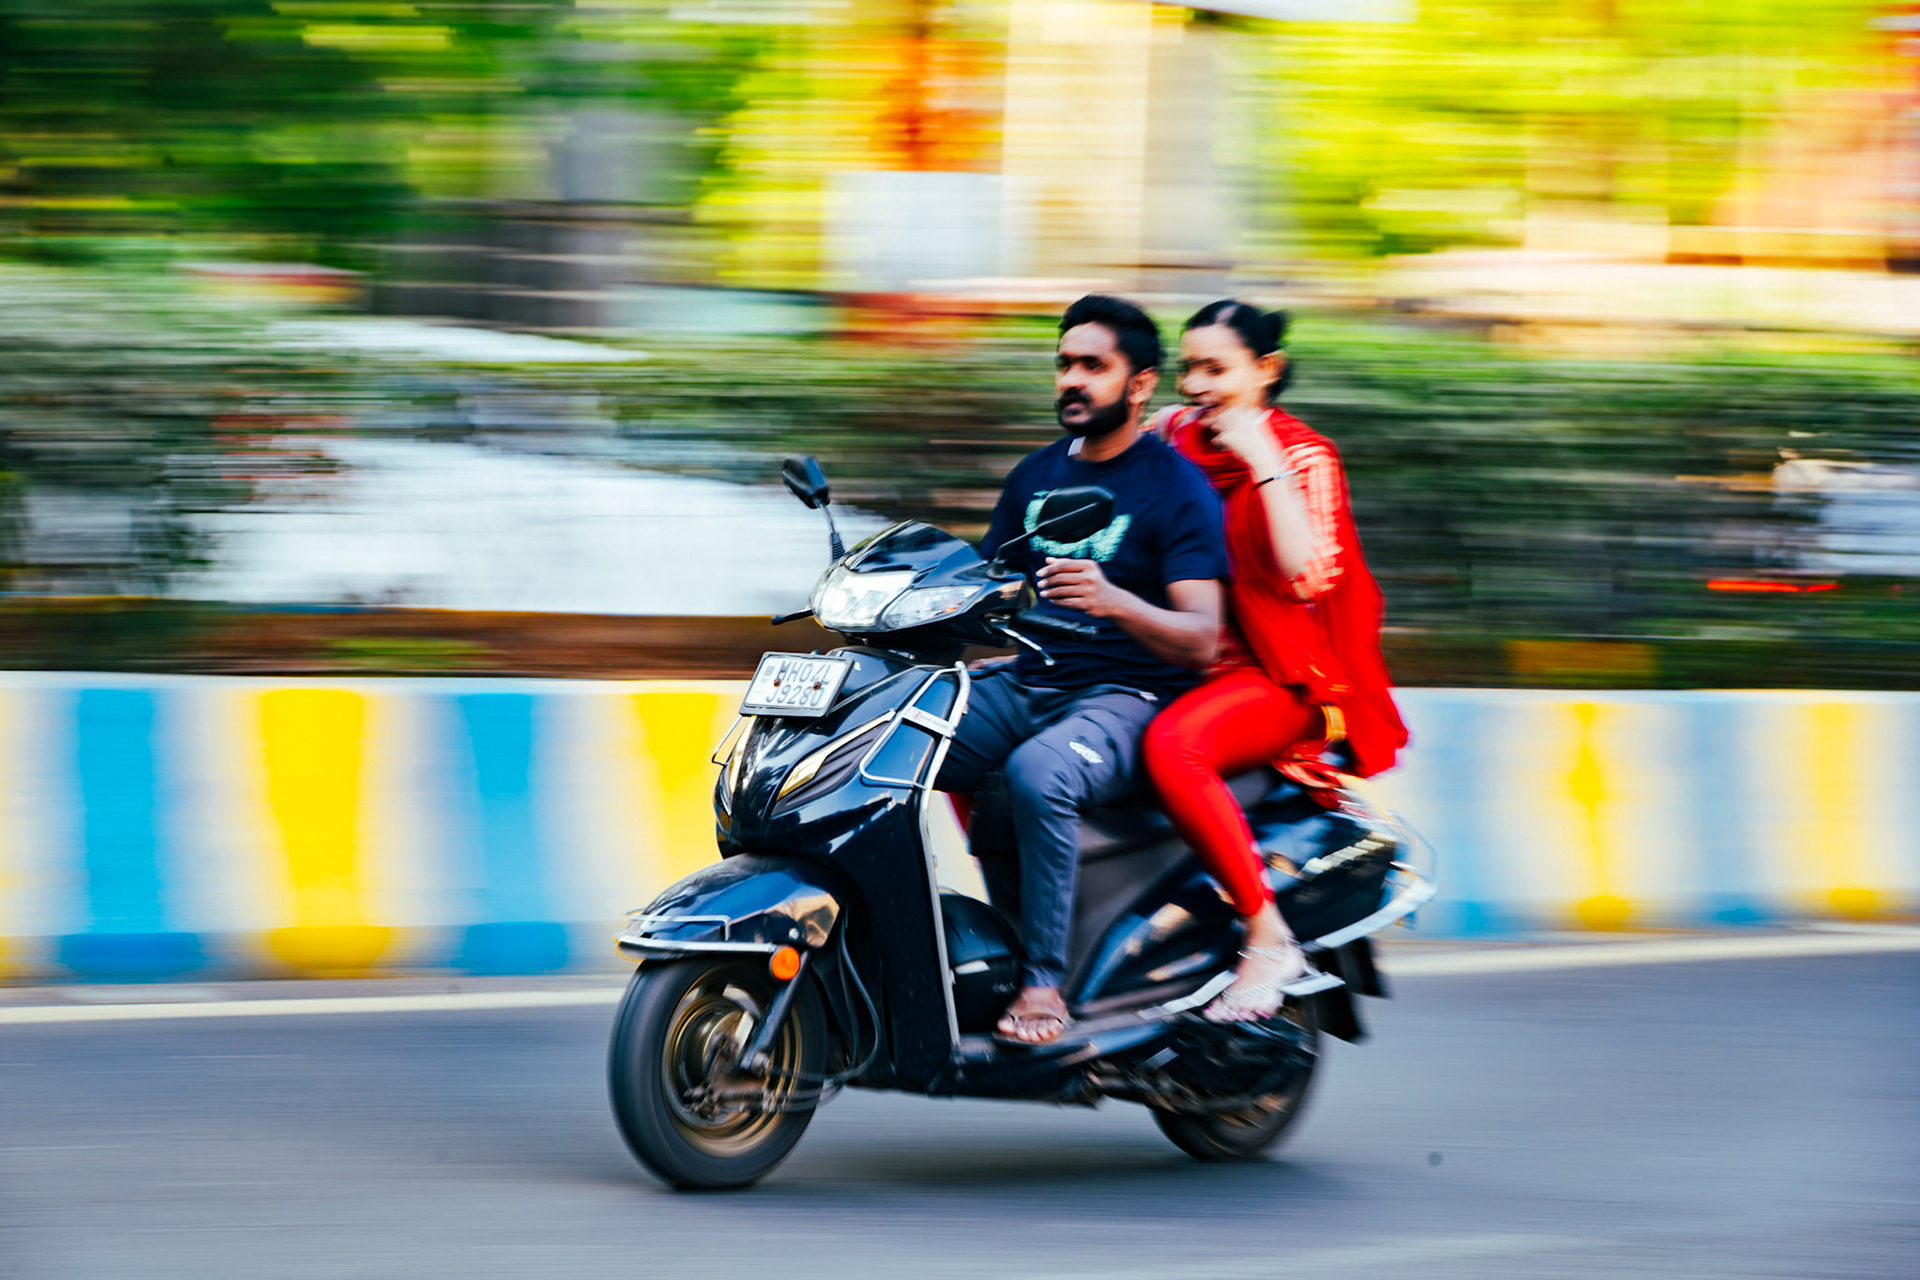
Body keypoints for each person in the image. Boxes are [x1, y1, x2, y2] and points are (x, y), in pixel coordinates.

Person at [936, 295, 1229, 1047]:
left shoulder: (1175, 488)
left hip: (1127, 696)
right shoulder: (1034, 477)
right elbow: (985, 585)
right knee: (897, 735)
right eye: (1065, 364)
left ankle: (1043, 980)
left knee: (1039, 773)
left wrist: (1113, 600)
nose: (1072, 379)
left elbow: (1201, 638)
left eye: (1093, 366)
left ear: (1139, 386)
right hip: (1033, 682)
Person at [1142, 300, 1408, 1023]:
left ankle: (1267, 936)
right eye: (1187, 368)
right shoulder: (1170, 434)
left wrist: (1260, 459)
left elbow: (1306, 579)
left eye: (1214, 369)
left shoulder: (1302, 457)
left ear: (1266, 371)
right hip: (1168, 654)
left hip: (1271, 674)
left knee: (1175, 750)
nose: (1194, 385)